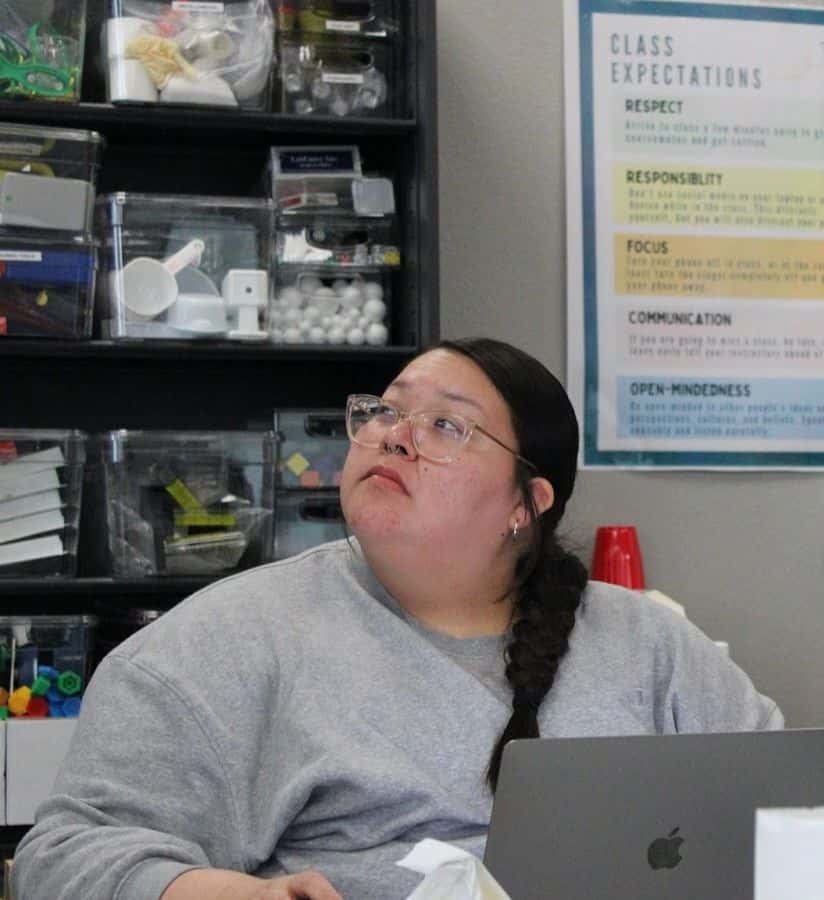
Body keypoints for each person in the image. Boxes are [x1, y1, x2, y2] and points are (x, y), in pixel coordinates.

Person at [15, 338, 783, 900]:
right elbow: (63, 859)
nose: (393, 431)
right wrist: (211, 893)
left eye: (446, 425)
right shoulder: (229, 641)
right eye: (385, 410)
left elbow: (791, 808)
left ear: (527, 504)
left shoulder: (646, 645)